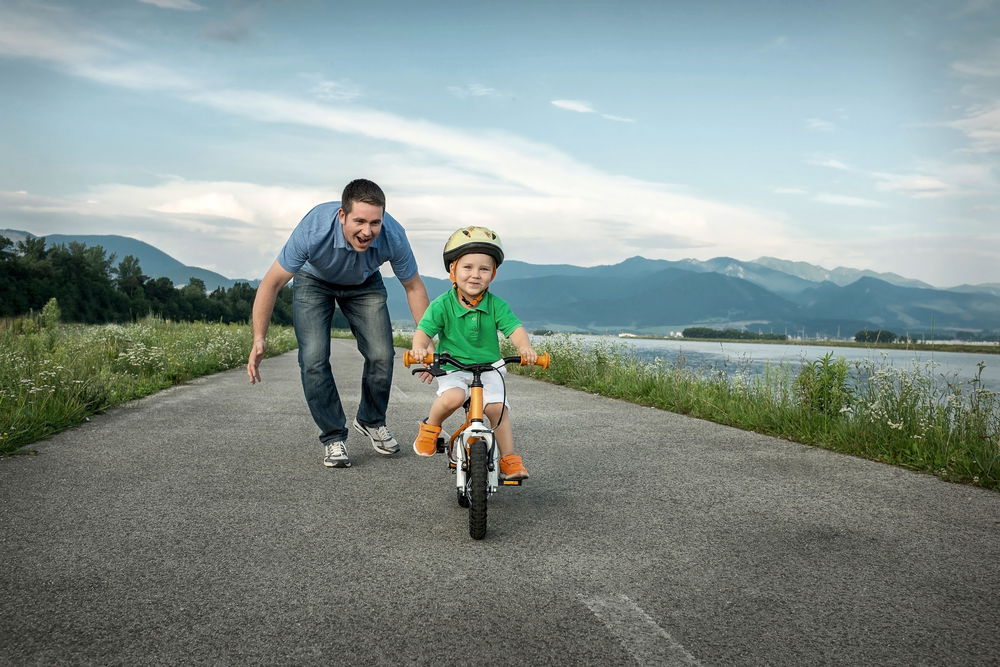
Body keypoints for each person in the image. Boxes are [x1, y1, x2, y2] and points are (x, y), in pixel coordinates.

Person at [247, 179, 429, 469]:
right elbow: (271, 284)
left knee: (382, 354)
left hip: (364, 282)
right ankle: (333, 437)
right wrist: (259, 337)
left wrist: (427, 338)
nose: (367, 231)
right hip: (314, 280)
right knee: (314, 358)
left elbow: (413, 287)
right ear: (342, 216)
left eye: (375, 223)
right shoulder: (314, 229)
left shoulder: (393, 234)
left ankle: (371, 420)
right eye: (359, 221)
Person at [408, 226, 536, 481]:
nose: (475, 275)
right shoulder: (442, 305)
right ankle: (430, 427)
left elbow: (515, 329)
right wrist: (420, 348)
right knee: (453, 397)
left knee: (497, 409)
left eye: (484, 269)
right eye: (468, 267)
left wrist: (525, 348)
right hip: (453, 366)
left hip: (490, 367)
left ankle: (509, 459)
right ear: (453, 271)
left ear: (493, 273)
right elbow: (424, 330)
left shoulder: (496, 305)